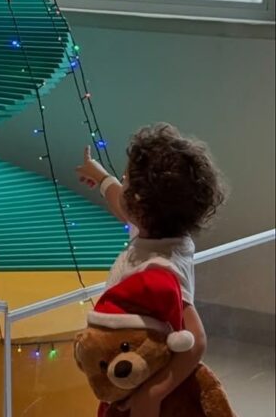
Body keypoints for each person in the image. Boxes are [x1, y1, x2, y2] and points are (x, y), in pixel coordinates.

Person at [76, 123, 227, 417]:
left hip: (146, 385)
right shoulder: (160, 231)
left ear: (142, 205)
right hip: (128, 376)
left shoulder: (162, 268)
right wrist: (101, 178)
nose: (122, 182)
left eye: (126, 180)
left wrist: (154, 393)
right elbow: (123, 205)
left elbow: (196, 340)